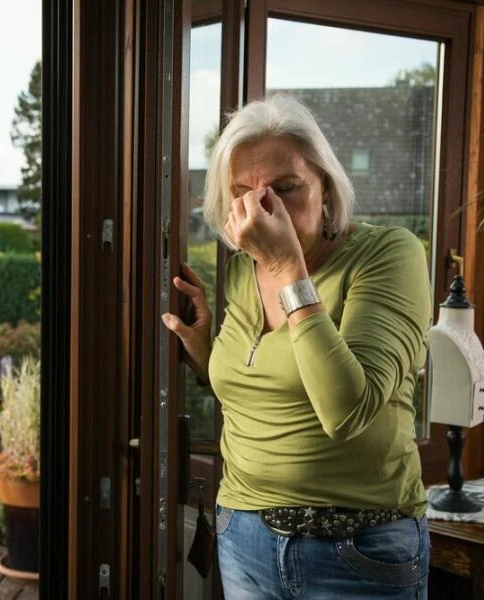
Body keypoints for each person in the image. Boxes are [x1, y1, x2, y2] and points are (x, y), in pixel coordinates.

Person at [162, 94, 432, 599]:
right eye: (242, 192)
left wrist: (289, 271)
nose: (264, 208)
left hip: (357, 548)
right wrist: (203, 351)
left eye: (286, 188)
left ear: (326, 187)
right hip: (243, 535)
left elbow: (347, 409)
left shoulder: (389, 254)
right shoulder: (244, 268)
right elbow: (266, 389)